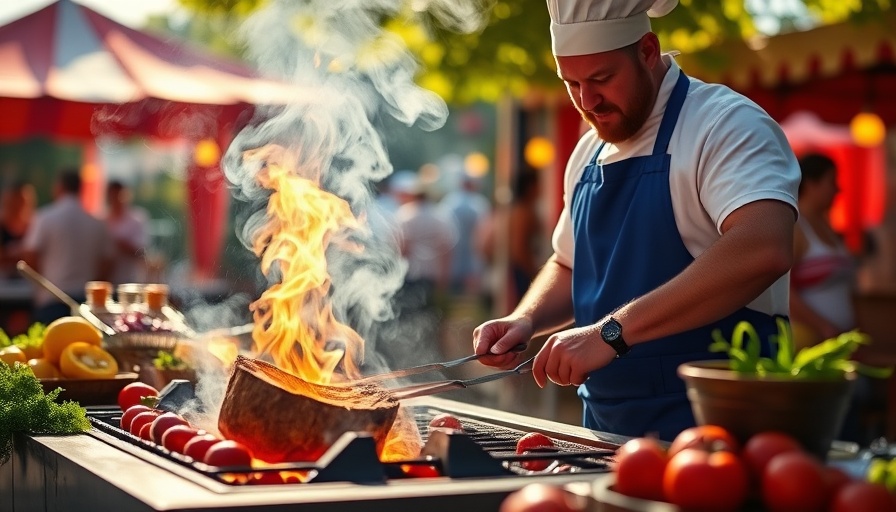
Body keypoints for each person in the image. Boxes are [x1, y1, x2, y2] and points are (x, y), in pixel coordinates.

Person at [473, 0, 800, 441]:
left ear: (648, 50)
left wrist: (609, 334)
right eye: (571, 83)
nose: (587, 101)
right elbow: (569, 263)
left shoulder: (724, 124)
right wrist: (525, 319)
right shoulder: (587, 152)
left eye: (602, 79)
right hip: (608, 432)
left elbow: (764, 247)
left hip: (725, 425)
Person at [22, 170, 115, 324]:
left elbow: (29, 257)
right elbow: (108, 263)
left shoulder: (44, 217)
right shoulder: (97, 223)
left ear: (59, 187)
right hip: (85, 303)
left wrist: (43, 284)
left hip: (51, 300)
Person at [789, 153, 856, 349]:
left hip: (839, 339)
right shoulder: (796, 228)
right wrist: (824, 326)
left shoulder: (828, 226)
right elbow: (784, 290)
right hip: (811, 341)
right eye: (832, 181)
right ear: (811, 184)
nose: (838, 189)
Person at [439, 175, 491, 297]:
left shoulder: (450, 202)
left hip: (455, 248)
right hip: (472, 248)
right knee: (471, 283)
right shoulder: (479, 203)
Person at [105, 180, 150, 285]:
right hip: (107, 280)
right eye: (112, 195)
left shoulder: (137, 219)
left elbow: (142, 251)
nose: (115, 199)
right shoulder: (102, 220)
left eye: (117, 195)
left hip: (130, 279)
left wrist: (117, 244)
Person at [0, 180, 37, 278]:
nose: (18, 206)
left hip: (28, 282)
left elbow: (36, 258)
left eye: (22, 201)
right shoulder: (2, 224)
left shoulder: (35, 223)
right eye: (15, 201)